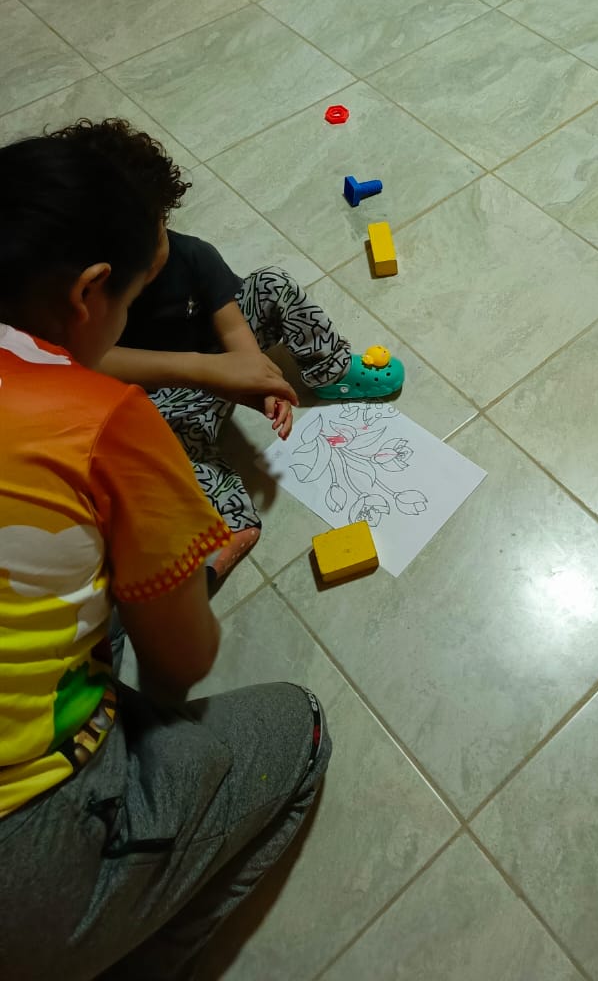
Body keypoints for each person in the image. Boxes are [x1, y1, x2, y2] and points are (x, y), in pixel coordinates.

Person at [0, 124, 332, 981]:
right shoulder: (103, 416)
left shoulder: (199, 272)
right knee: (301, 727)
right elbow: (180, 663)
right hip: (23, 848)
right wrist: (172, 588)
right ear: (90, 292)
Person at [51, 119, 405, 590]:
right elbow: (86, 364)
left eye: (157, 236)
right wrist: (206, 372)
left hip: (220, 363)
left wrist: (255, 376)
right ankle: (232, 526)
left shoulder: (192, 255)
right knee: (143, 446)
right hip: (160, 400)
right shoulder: (77, 303)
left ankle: (330, 370)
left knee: (272, 283)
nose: (153, 256)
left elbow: (234, 324)